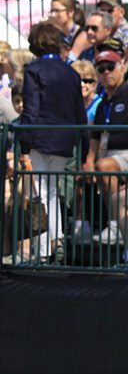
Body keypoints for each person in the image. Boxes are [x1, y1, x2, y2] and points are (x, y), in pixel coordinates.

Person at [17, 22, 85, 261]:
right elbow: (80, 113)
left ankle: (46, 248)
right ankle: (56, 241)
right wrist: (84, 145)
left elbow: (31, 109)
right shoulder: (71, 72)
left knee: (41, 191)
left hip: (40, 138)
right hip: (65, 140)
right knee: (52, 191)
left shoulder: (34, 69)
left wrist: (24, 144)